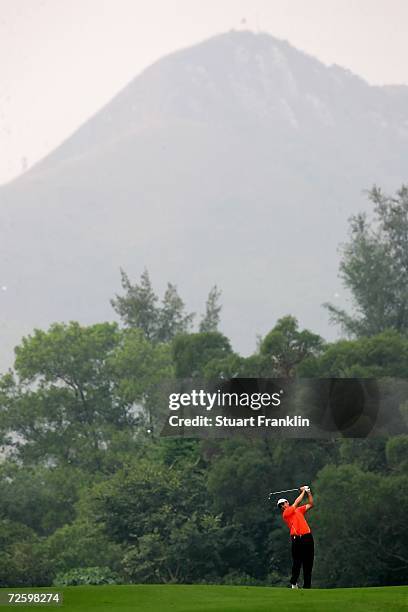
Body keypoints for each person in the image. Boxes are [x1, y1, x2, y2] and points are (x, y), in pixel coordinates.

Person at [277, 485, 314, 589]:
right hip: (297, 539)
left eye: (284, 503)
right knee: (297, 561)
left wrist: (309, 492)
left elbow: (311, 504)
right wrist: (303, 492)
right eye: (281, 505)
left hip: (307, 537)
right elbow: (297, 502)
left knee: (308, 561)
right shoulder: (286, 513)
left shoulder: (298, 510)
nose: (283, 505)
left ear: (287, 503)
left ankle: (307, 586)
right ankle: (294, 582)